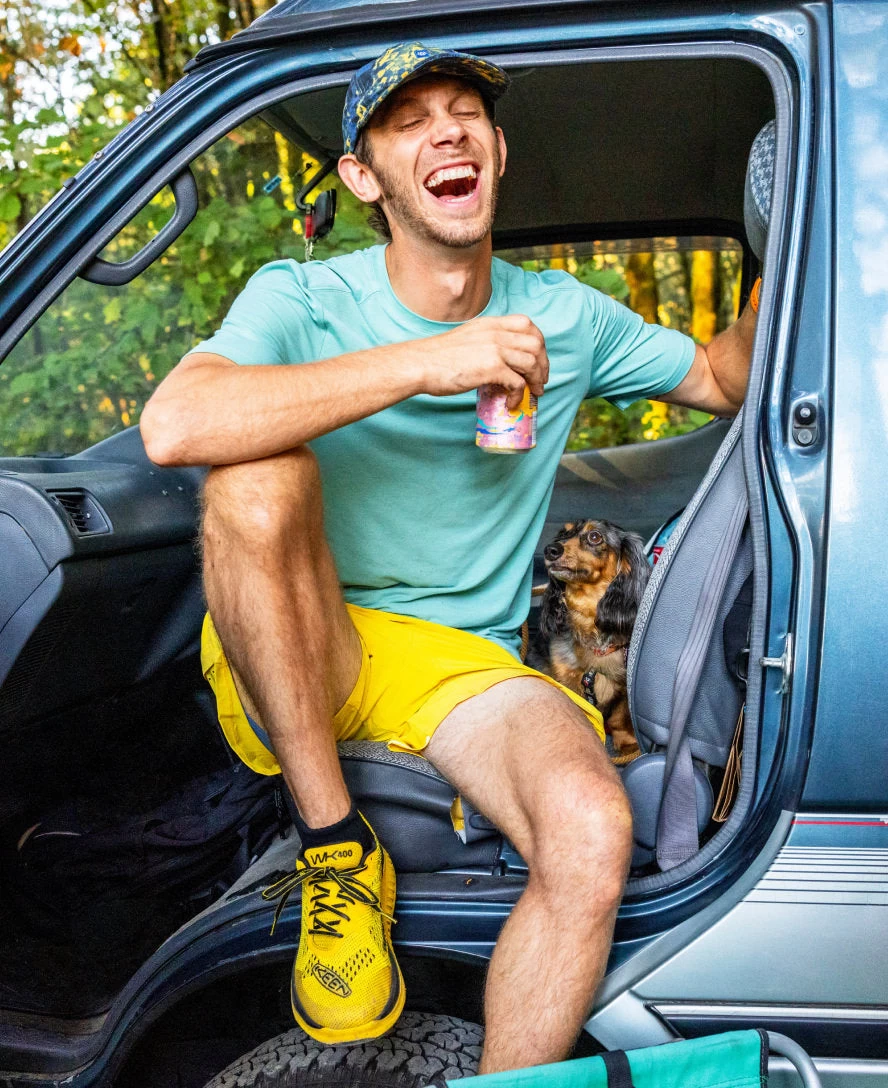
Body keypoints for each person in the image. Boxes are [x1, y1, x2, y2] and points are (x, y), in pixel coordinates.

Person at [140, 42, 756, 1074]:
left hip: (466, 669)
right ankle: (337, 849)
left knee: (591, 826)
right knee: (253, 479)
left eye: (465, 112)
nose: (447, 132)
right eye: (409, 121)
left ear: (498, 152)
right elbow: (175, 425)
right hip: (307, 641)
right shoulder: (303, 298)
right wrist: (429, 361)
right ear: (363, 176)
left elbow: (721, 377)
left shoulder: (564, 313)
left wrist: (798, 243)